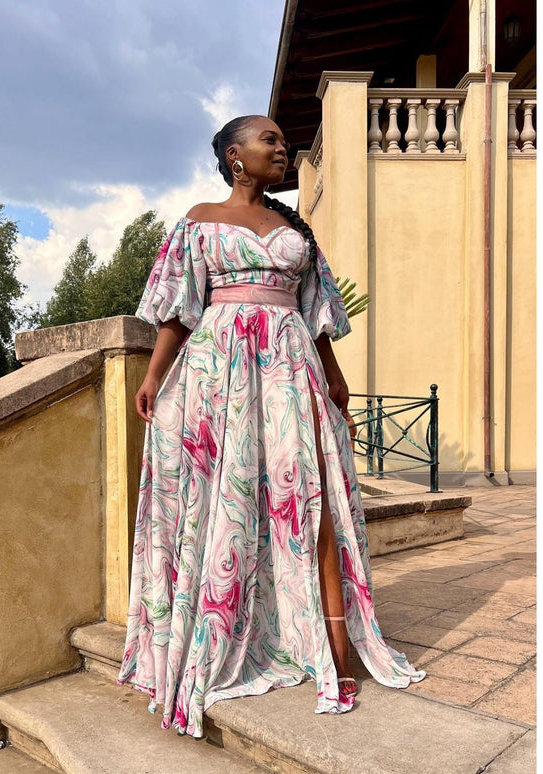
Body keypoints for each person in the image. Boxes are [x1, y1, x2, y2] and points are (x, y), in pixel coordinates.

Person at [117, 115, 426, 738]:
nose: (282, 148)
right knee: (228, 500)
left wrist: (334, 375)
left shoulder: (295, 227)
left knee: (305, 495)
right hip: (218, 370)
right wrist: (153, 376)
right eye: (270, 141)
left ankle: (334, 644)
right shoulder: (199, 220)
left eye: (284, 141)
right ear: (235, 156)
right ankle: (226, 627)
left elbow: (316, 311)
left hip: (289, 366)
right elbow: (179, 310)